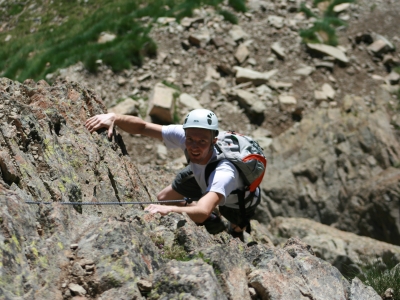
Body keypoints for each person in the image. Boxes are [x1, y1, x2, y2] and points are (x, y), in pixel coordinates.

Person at [85, 109, 260, 238]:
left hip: (237, 199)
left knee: (236, 226)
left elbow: (203, 210)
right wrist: (115, 117)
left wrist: (169, 211)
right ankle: (212, 220)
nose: (193, 146)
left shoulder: (224, 174)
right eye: (190, 139)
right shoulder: (186, 135)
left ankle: (234, 228)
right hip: (201, 174)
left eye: (202, 142)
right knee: (164, 198)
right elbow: (143, 127)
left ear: (214, 141)